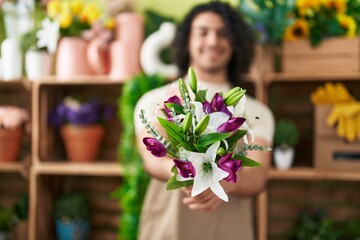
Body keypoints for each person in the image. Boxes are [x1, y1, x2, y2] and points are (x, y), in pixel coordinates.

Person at [134, 2, 274, 239]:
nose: (212, 41)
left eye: (223, 33)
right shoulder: (156, 100)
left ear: (235, 43)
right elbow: (151, 159)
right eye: (202, 32)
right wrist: (190, 176)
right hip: (167, 230)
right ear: (186, 41)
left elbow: (258, 176)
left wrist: (228, 183)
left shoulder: (255, 111)